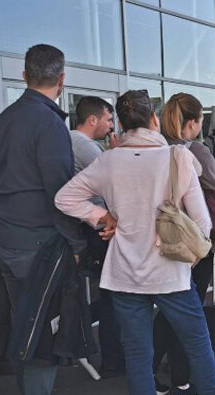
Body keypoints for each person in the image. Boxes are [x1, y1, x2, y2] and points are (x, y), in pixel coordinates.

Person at [55, 90, 215, 395]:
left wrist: (102, 217)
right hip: (171, 273)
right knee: (196, 344)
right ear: (154, 120)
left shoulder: (109, 161)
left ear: (123, 124)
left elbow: (64, 198)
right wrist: (193, 254)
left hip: (125, 273)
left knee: (139, 356)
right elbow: (203, 221)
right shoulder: (178, 157)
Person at [0, 44, 89, 395]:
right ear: (62, 80)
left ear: (24, 74)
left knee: (22, 320)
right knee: (40, 327)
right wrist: (77, 241)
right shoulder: (48, 126)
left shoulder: (2, 121)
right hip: (38, 242)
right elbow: (61, 193)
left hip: (6, 239)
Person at [154, 92, 215, 395]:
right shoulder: (196, 150)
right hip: (191, 240)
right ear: (192, 123)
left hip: (161, 237)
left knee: (169, 307)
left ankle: (155, 371)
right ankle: (183, 383)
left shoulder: (156, 148)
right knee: (189, 311)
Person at [69, 96, 126, 377]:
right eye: (107, 119)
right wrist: (114, 154)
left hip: (87, 229)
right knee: (114, 295)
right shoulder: (84, 146)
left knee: (108, 294)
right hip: (99, 230)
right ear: (92, 119)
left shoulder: (74, 143)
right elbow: (112, 181)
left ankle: (110, 354)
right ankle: (114, 359)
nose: (111, 125)